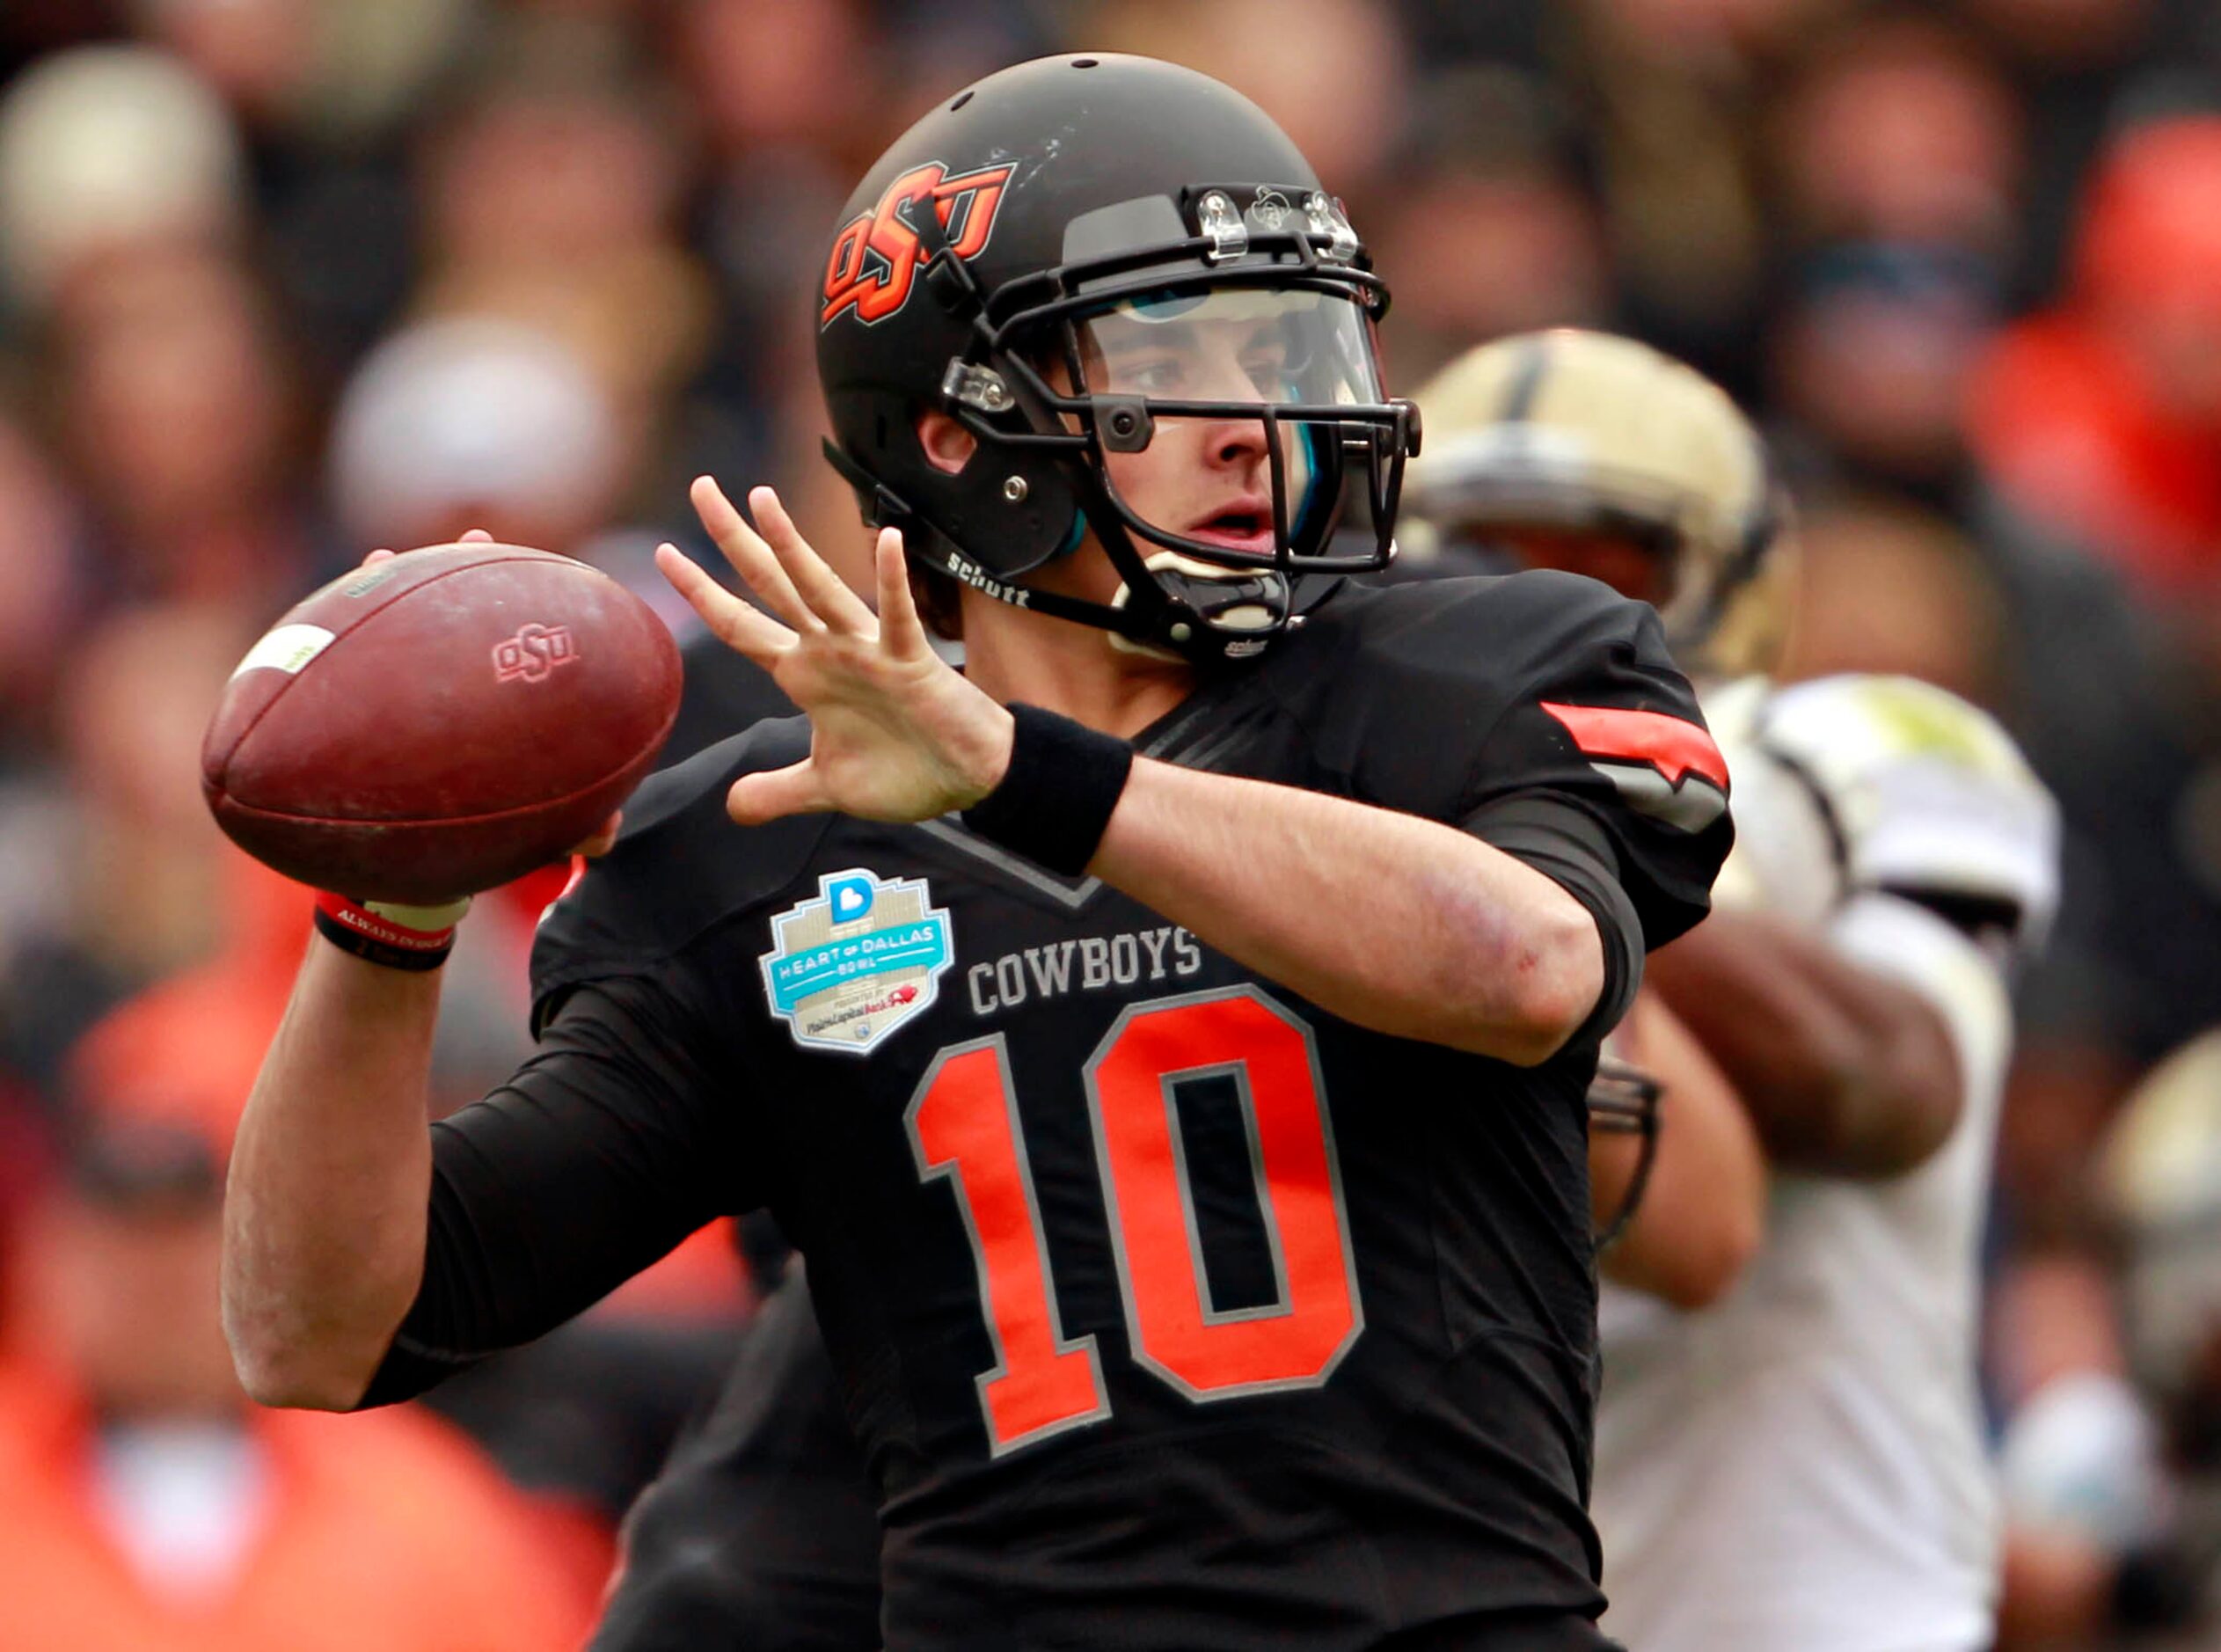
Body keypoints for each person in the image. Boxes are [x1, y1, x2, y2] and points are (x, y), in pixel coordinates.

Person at [222, 56, 1731, 1651]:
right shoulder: (761, 839)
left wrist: (1012, 774)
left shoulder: (1473, 670)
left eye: (1286, 349)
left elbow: (1525, 966)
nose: (1260, 426)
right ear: (961, 435)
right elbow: (320, 1329)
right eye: (1182, 360)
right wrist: (387, 907)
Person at [1401, 327, 2061, 1652]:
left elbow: (1874, 1086)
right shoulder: (1326, 810)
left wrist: (1531, 831)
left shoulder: (1841, 751)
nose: (1532, 609)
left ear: (1726, 573)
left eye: (1600, 568)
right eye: (1475, 564)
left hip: (1827, 1605)